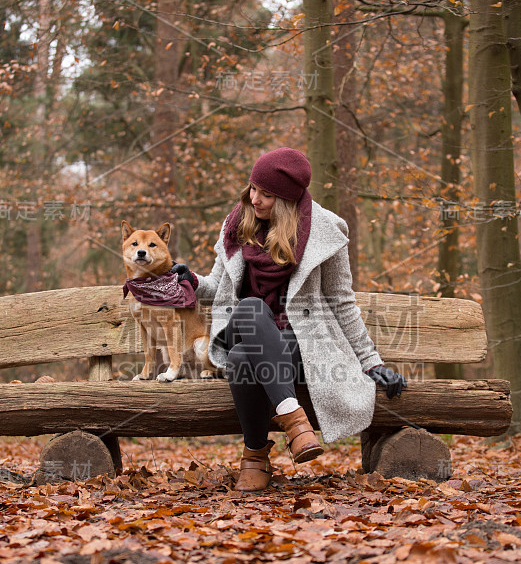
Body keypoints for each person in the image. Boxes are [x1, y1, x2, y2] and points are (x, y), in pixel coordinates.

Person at [173, 147, 406, 491]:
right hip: (246, 327)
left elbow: (342, 302)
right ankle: (294, 420)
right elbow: (217, 288)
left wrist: (371, 363)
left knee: (241, 359)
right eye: (252, 188)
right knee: (251, 309)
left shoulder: (324, 232)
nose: (255, 199)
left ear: (286, 199)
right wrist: (190, 280)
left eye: (266, 194)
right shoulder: (237, 224)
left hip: (300, 347)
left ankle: (254, 456)